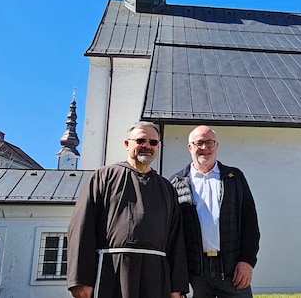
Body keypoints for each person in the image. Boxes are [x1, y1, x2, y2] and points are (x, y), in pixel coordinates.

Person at [67, 121, 188, 298]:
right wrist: (81, 279)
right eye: (141, 141)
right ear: (127, 144)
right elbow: (82, 227)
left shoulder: (167, 188)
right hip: (112, 271)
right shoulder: (104, 176)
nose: (147, 146)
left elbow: (176, 238)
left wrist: (177, 287)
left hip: (156, 275)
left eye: (153, 142)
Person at [169, 126, 260, 298]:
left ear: (217, 145)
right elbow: (171, 235)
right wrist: (177, 280)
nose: (204, 148)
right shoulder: (175, 183)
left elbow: (250, 223)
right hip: (195, 273)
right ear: (190, 147)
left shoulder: (235, 178)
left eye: (209, 142)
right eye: (199, 143)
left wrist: (247, 261)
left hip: (232, 269)